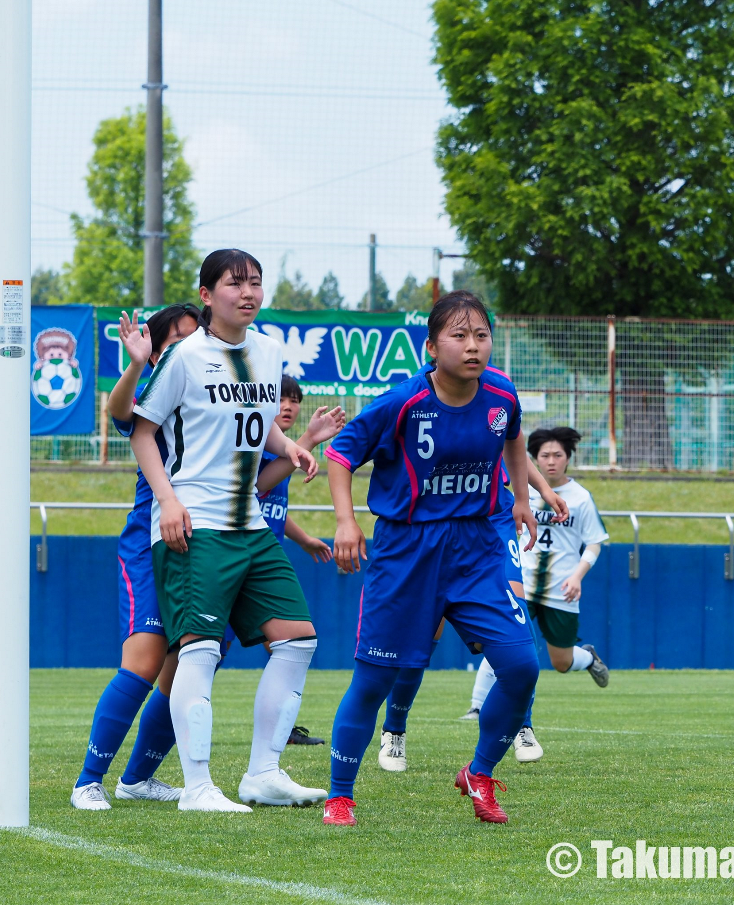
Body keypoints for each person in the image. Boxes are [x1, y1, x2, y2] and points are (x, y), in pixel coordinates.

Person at [322, 290, 539, 826]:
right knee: (374, 681)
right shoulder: (403, 402)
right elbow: (340, 452)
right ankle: (340, 795)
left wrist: (521, 498)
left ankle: (479, 773)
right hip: (406, 551)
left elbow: (514, 440)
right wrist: (347, 521)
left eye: (481, 335)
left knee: (521, 667)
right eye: (459, 336)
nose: (473, 346)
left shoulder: (502, 393)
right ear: (431, 346)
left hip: (477, 550)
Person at [129, 249, 326, 813]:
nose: (248, 292)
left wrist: (290, 446)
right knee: (200, 649)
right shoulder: (184, 357)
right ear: (208, 293)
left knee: (298, 638)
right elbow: (142, 432)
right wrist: (166, 500)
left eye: (256, 283)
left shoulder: (269, 351)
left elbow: (257, 424)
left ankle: (263, 774)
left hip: (250, 525)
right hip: (196, 524)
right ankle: (196, 789)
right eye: (234, 283)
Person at [71, 303, 201, 810]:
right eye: (176, 342)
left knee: (187, 666)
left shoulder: (220, 397)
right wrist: (136, 364)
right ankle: (88, 780)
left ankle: (138, 778)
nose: (188, 351)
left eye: (196, 340)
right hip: (152, 545)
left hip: (209, 545)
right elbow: (121, 413)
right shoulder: (156, 390)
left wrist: (296, 446)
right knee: (146, 657)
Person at [377, 451, 568, 773]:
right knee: (425, 632)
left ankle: (523, 724)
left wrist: (543, 491)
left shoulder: (494, 404)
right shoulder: (422, 408)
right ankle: (394, 728)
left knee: (514, 613)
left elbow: (512, 446)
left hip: (496, 517)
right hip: (441, 515)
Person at [464, 426, 609, 764]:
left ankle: (587, 657)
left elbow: (595, 542)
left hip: (561, 589)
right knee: (511, 647)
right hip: (522, 583)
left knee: (561, 662)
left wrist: (577, 576)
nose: (552, 461)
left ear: (569, 458)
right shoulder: (518, 489)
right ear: (534, 459)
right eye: (544, 455)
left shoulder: (580, 498)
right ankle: (482, 707)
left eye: (558, 455)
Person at [254, 375, 347, 747]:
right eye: (281, 398)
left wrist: (304, 538)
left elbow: (269, 505)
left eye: (295, 399)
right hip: (238, 556)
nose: (289, 406)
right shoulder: (256, 440)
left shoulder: (284, 445)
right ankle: (177, 720)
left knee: (292, 641)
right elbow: (256, 488)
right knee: (201, 653)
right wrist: (307, 442)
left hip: (265, 558)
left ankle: (282, 729)